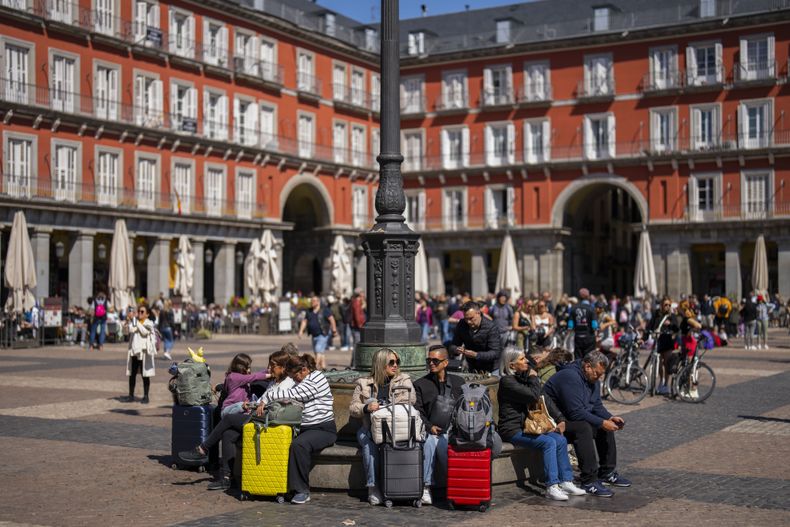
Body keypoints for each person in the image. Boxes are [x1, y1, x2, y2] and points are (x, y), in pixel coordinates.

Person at [179, 347, 297, 491]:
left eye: (273, 365)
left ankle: (202, 449)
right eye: (270, 364)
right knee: (228, 434)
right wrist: (258, 402)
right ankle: (226, 479)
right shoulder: (274, 382)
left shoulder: (288, 382)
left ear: (283, 368)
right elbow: (262, 394)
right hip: (258, 416)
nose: (269, 368)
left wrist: (262, 402)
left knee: (228, 419)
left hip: (269, 421)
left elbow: (282, 399)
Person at [497, 347, 587, 501]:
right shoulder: (507, 382)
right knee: (548, 442)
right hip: (512, 429)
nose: (527, 361)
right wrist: (533, 378)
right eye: (522, 359)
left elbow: (544, 397)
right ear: (511, 365)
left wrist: (560, 419)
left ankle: (566, 481)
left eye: (525, 358)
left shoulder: (521, 377)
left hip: (527, 427)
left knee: (560, 439)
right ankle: (551, 486)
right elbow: (534, 395)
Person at [543, 351, 630, 498]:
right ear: (587, 366)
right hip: (552, 422)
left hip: (568, 419)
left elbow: (596, 406)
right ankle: (589, 480)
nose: (598, 378)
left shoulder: (591, 379)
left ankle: (607, 472)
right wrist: (602, 422)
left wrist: (610, 417)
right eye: (597, 373)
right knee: (584, 428)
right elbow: (575, 413)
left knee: (603, 425)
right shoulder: (570, 376)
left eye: (601, 375)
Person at [257, 354, 336, 504]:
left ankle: (302, 491)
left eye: (294, 377)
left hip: (323, 429)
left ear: (304, 370)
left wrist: (266, 398)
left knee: (299, 445)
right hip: (304, 429)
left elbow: (292, 394)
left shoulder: (317, 378)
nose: (293, 380)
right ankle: (277, 486)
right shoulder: (302, 381)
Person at [349, 348, 415, 506]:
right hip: (370, 428)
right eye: (391, 362)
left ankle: (398, 486)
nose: (395, 365)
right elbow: (352, 408)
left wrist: (384, 405)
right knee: (368, 443)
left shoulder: (403, 379)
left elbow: (411, 399)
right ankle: (373, 488)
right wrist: (366, 408)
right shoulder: (363, 383)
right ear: (380, 364)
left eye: (397, 362)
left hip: (395, 427)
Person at [414, 345, 465, 505]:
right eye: (429, 360)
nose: (431, 363)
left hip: (454, 430)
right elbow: (418, 411)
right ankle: (427, 487)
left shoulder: (458, 382)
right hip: (431, 430)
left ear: (445, 362)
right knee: (431, 442)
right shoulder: (420, 384)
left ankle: (455, 485)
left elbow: (465, 408)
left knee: (444, 444)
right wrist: (430, 426)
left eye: (435, 360)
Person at [448, 301, 503, 374]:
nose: (468, 322)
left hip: (491, 368)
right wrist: (456, 350)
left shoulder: (491, 327)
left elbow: (495, 353)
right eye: (466, 318)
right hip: (472, 367)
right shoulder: (462, 324)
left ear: (478, 313)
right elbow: (453, 345)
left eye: (471, 318)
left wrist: (476, 355)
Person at [219, 353, 270, 418]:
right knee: (241, 404)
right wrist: (270, 375)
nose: (249, 370)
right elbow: (254, 377)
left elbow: (256, 374)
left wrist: (268, 371)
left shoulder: (243, 378)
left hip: (240, 410)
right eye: (248, 368)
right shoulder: (233, 377)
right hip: (228, 409)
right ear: (241, 367)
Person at [123, 305, 156, 404]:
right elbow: (128, 331)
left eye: (142, 312)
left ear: (147, 314)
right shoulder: (135, 321)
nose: (140, 313)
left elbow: (144, 331)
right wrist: (126, 323)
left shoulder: (149, 323)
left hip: (144, 353)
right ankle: (131, 395)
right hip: (134, 352)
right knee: (132, 375)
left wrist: (134, 319)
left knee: (145, 375)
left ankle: (146, 396)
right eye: (139, 311)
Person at [648, 297, 679, 395]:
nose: (668, 307)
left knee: (667, 363)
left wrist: (670, 324)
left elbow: (676, 328)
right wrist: (644, 336)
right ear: (661, 305)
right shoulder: (656, 314)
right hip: (658, 340)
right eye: (666, 305)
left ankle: (666, 384)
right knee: (659, 363)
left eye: (669, 305)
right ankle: (661, 381)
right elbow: (650, 326)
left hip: (667, 340)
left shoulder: (672, 315)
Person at [298, 296, 337, 371]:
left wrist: (334, 329)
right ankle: (324, 367)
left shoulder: (325, 310)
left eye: (314, 301)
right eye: (311, 301)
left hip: (323, 334)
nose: (312, 302)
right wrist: (301, 331)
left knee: (318, 350)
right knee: (318, 352)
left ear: (318, 302)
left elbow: (331, 319)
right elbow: (304, 321)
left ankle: (313, 369)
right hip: (314, 335)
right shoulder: (309, 311)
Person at [568, 288, 598, 360]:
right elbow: (594, 325)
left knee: (578, 358)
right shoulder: (591, 308)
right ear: (588, 297)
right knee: (589, 358)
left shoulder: (573, 308)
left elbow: (570, 325)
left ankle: (578, 370)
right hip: (589, 337)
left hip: (578, 336)